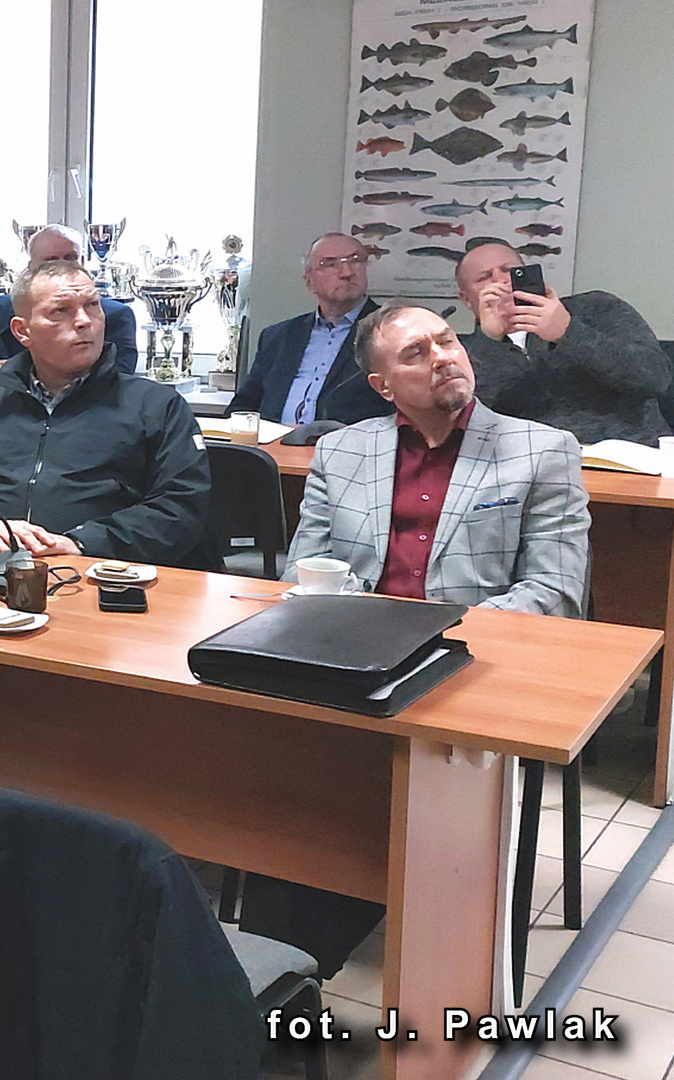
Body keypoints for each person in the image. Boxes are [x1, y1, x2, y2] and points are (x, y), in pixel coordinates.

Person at [241, 301, 591, 978]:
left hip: (469, 664)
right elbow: (305, 569)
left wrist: (432, 641)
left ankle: (298, 960)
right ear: (382, 386)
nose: (443, 358)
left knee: (358, 778)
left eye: (447, 341)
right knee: (281, 766)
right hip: (354, 657)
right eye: (416, 354)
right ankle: (275, 963)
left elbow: (556, 592)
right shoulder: (342, 450)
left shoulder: (541, 450)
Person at [0, 261, 211, 566]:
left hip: (102, 569)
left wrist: (81, 542)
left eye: (92, 305)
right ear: (22, 331)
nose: (84, 321)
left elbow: (180, 508)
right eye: (61, 311)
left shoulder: (157, 406)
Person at [457, 241, 671, 445]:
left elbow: (655, 377)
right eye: (484, 278)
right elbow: (465, 419)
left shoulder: (594, 307)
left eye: (509, 270)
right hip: (529, 460)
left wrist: (567, 331)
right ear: (466, 299)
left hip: (629, 451)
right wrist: (489, 341)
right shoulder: (461, 352)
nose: (501, 281)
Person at [0, 225, 139, 395]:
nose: (62, 268)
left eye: (70, 259)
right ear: (31, 266)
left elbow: (117, 384)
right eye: (51, 261)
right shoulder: (2, 309)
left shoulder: (114, 315)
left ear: (81, 261)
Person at [226, 233, 389, 425]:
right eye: (330, 264)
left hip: (347, 442)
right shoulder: (277, 337)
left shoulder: (389, 332)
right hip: (274, 441)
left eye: (355, 260)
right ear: (309, 281)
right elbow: (243, 406)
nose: (346, 272)